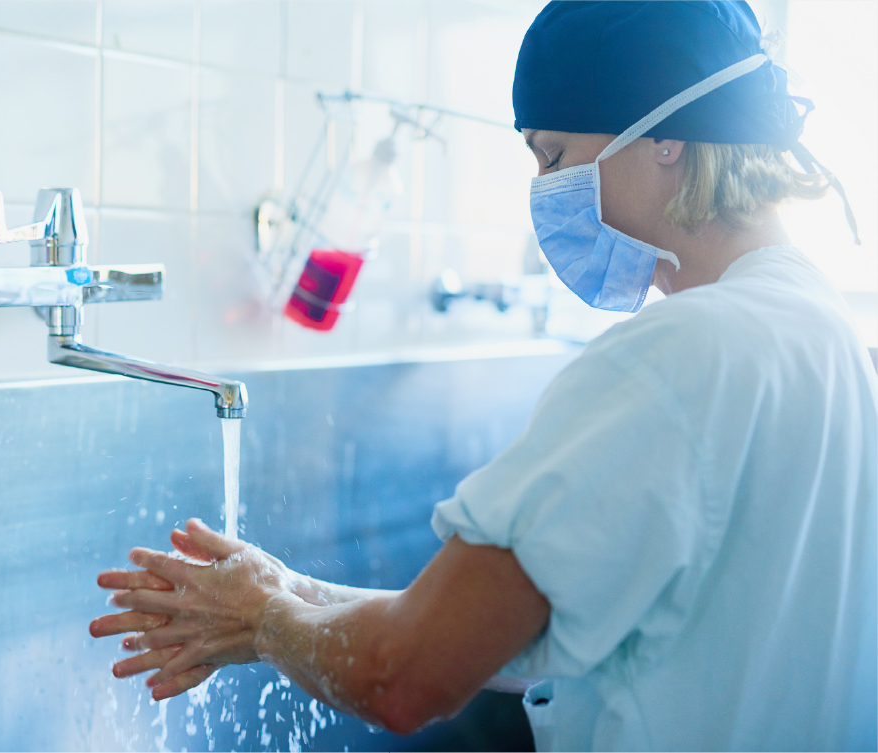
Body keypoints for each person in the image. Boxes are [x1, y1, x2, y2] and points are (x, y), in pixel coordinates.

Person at [91, 2, 876, 751]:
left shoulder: (675, 354)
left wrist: (262, 621)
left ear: (664, 135)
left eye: (553, 155)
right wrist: (290, 591)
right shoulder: (823, 331)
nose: (543, 190)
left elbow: (401, 675)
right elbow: (515, 631)